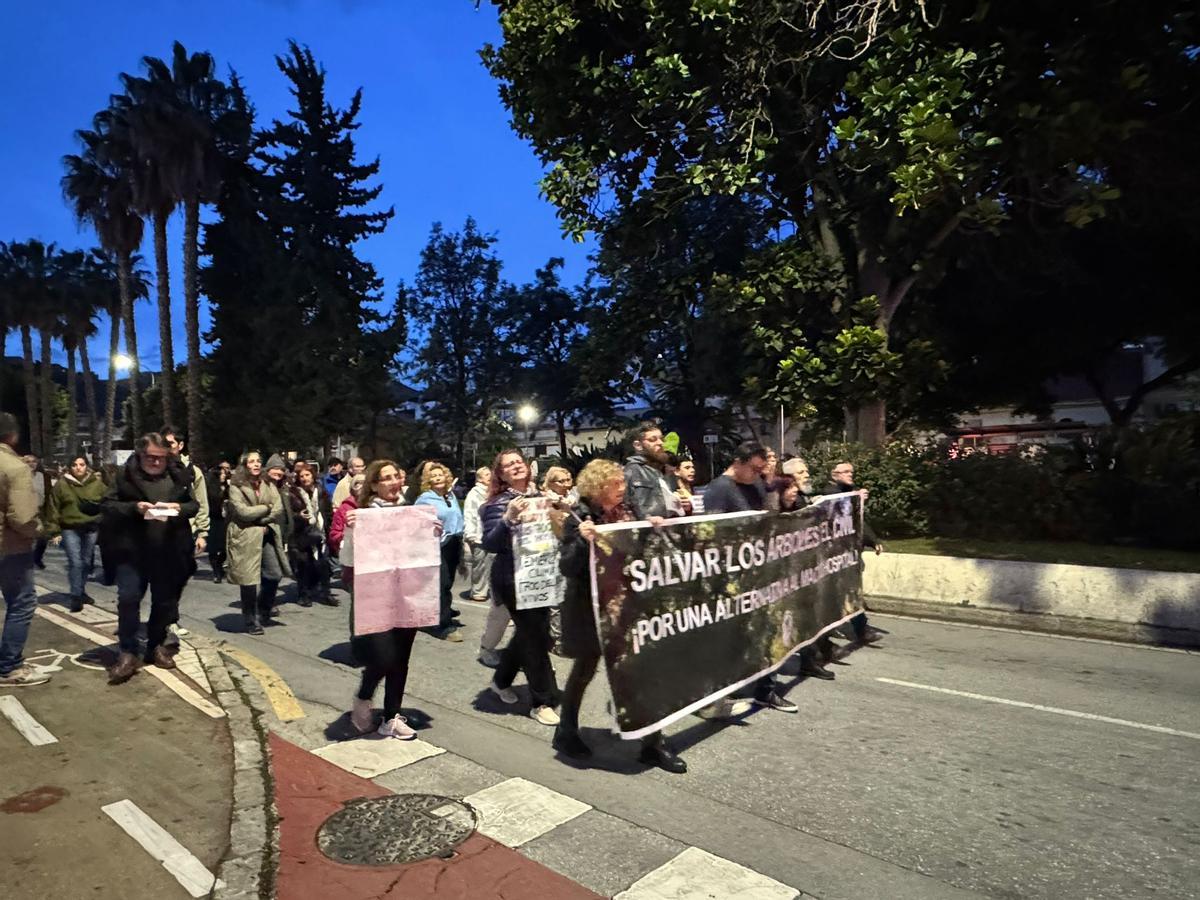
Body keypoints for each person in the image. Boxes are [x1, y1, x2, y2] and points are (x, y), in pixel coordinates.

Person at [555, 459, 688, 773]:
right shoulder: (580, 515)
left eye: (622, 483)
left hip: (627, 602)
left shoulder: (629, 509)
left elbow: (640, 547)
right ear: (598, 487)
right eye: (615, 484)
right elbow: (567, 566)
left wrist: (652, 527)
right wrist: (581, 540)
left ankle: (652, 743)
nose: (622, 488)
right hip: (591, 607)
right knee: (585, 668)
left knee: (642, 668)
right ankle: (566, 730)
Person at [702, 440, 805, 709]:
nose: (759, 474)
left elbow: (770, 515)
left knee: (766, 631)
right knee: (732, 639)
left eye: (761, 469)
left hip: (758, 570)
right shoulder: (719, 489)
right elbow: (711, 534)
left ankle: (765, 689)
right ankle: (713, 694)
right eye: (755, 469)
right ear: (738, 462)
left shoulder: (756, 483)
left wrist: (769, 484)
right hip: (733, 576)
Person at [100, 433, 200, 684]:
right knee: (128, 598)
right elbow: (108, 505)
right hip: (132, 552)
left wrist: (179, 509)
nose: (155, 462)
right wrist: (135, 508)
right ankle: (128, 652)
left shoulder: (177, 475)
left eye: (160, 458)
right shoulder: (125, 476)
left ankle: (156, 645)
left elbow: (193, 505)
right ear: (140, 454)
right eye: (150, 457)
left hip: (168, 551)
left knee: (164, 602)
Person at [340, 460, 425, 739]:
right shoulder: (363, 515)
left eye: (395, 476)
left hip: (407, 595)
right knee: (384, 657)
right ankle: (363, 698)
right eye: (385, 478)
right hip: (376, 597)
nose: (393, 482)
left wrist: (433, 532)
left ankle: (391, 717)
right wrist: (353, 531)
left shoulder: (412, 513)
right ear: (374, 485)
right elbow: (346, 559)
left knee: (401, 659)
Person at [481, 449, 560, 726]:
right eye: (508, 465)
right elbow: (490, 543)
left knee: (530, 633)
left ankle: (501, 680)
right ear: (501, 475)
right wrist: (508, 518)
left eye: (518, 461)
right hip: (514, 580)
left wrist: (561, 510)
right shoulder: (497, 504)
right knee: (535, 639)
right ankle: (541, 702)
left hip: (541, 576)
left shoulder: (541, 496)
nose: (516, 466)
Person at [0, 414, 50, 687]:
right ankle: (9, 666)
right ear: (13, 436)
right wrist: (39, 530)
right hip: (9, 547)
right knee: (21, 602)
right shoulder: (15, 467)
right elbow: (22, 517)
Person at [820, 461, 885, 647]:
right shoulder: (830, 493)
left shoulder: (850, 492)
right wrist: (856, 499)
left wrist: (873, 540)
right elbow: (838, 513)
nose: (850, 474)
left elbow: (858, 521)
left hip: (849, 553)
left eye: (851, 471)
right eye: (845, 471)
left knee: (849, 592)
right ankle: (852, 630)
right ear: (834, 475)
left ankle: (860, 629)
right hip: (834, 554)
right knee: (842, 593)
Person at [226, 451, 291, 635]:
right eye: (251, 461)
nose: (256, 464)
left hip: (266, 533)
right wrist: (264, 508)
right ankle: (250, 619)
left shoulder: (268, 484)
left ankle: (264, 609)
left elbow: (277, 508)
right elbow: (242, 512)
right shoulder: (236, 486)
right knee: (248, 579)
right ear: (244, 465)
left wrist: (262, 520)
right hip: (245, 535)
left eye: (258, 461)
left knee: (274, 574)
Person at [45, 454, 106, 612]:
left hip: (90, 528)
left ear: (87, 466)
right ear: (69, 467)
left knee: (86, 563)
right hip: (69, 528)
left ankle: (81, 590)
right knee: (75, 562)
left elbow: (107, 503)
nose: (78, 468)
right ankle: (76, 596)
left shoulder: (97, 484)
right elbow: (53, 508)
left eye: (82, 464)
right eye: (74, 465)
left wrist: (101, 517)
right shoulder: (61, 485)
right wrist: (53, 531)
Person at [414, 462, 465, 641]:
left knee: (448, 583)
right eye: (433, 476)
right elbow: (417, 524)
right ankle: (442, 625)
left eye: (440, 475)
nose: (437, 478)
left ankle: (436, 615)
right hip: (437, 545)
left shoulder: (450, 496)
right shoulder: (425, 499)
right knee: (441, 585)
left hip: (454, 543)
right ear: (428, 480)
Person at [289, 462, 335, 607]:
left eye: (307, 475)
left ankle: (326, 593)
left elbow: (328, 511)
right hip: (302, 533)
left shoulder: (321, 491)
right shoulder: (293, 493)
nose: (305, 478)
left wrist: (330, 527)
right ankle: (304, 595)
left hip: (320, 531)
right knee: (304, 564)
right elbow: (288, 514)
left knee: (324, 563)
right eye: (301, 476)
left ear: (313, 475)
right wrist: (298, 516)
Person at [462, 466, 492, 604]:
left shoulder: (493, 491)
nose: (489, 476)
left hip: (491, 532)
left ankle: (492, 589)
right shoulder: (474, 494)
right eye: (486, 474)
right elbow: (469, 514)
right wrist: (470, 534)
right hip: (478, 534)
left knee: (492, 564)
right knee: (480, 564)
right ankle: (478, 591)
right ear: (479, 479)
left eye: (490, 474)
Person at [206, 462, 232, 582]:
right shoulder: (211, 486)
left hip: (225, 519)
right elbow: (211, 500)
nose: (223, 475)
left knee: (225, 547)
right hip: (213, 518)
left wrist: (227, 488)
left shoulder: (228, 486)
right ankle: (216, 571)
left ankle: (219, 564)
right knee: (212, 548)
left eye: (225, 473)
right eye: (221, 473)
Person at [23, 455, 50, 570]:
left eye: (34, 461)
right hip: (24, 511)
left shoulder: (43, 476)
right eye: (28, 462)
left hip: (40, 510)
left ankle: (37, 558)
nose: (31, 464)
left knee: (43, 538)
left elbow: (48, 494)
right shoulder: (19, 477)